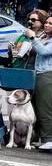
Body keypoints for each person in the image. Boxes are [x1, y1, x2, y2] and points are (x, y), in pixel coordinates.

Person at [28, 12, 52, 149]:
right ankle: (42, 137)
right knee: (37, 107)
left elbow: (44, 52)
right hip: (38, 73)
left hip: (48, 74)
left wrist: (33, 38)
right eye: (46, 23)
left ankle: (49, 139)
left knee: (45, 108)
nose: (47, 25)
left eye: (50, 23)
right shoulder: (44, 37)